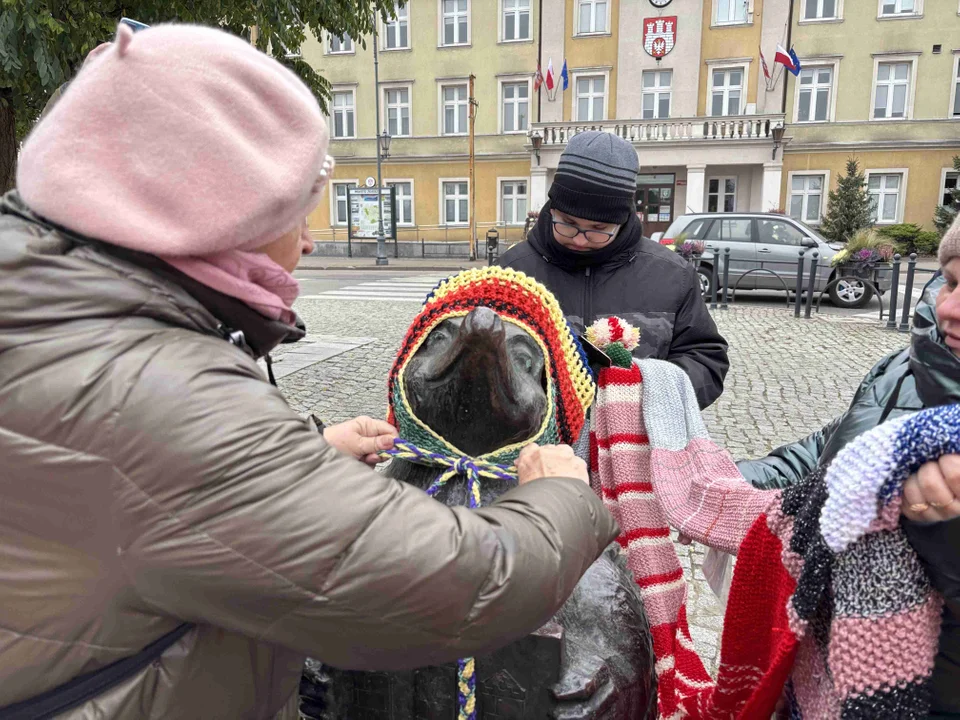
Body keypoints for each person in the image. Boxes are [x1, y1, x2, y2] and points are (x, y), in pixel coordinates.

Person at [0, 24, 618, 719]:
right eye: (295, 209)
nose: (311, 237)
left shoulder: (49, 302)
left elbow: (149, 497)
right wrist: (563, 501)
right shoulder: (156, 393)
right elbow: (443, 588)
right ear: (211, 212)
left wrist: (296, 462)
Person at [739, 214, 960, 718]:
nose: (949, 308)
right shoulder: (908, 364)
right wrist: (742, 478)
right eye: (950, 280)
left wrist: (945, 533)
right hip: (822, 669)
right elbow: (833, 449)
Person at [499, 131, 729, 409]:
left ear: (623, 220)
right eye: (567, 223)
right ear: (551, 210)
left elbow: (706, 359)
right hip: (536, 448)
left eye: (599, 230)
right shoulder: (511, 273)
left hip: (639, 443)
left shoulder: (672, 275)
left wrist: (646, 393)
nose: (580, 239)